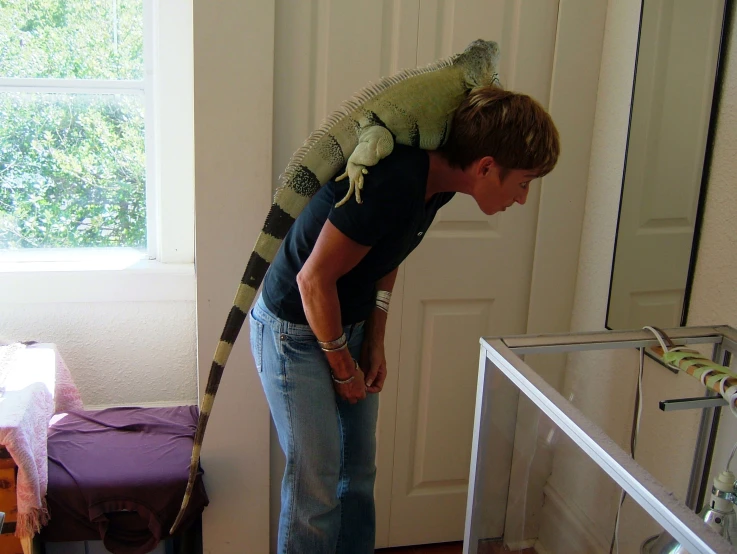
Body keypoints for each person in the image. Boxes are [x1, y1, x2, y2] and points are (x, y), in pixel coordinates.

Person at [248, 85, 560, 553]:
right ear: (487, 167)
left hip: (344, 322)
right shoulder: (391, 182)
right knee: (317, 483)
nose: (522, 199)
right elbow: (311, 282)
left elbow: (390, 251)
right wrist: (342, 366)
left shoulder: (440, 184)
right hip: (295, 329)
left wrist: (375, 338)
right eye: (524, 182)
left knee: (358, 474)